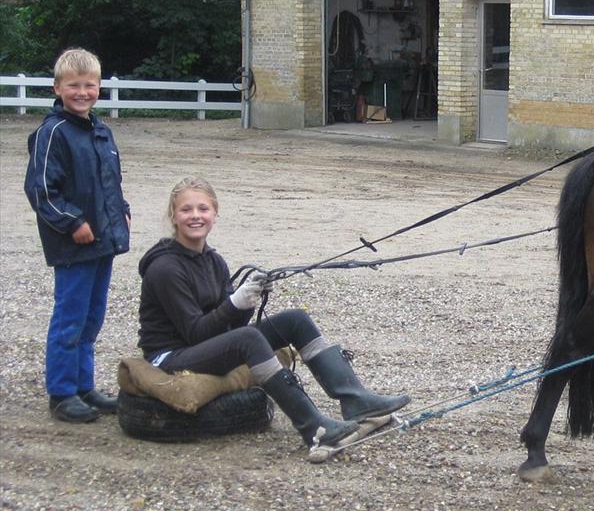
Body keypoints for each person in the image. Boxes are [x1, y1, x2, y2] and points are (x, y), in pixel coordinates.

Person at [137, 176, 410, 457]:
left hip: (201, 344)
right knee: (249, 338)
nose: (195, 216)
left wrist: (246, 303)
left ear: (215, 214)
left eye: (203, 209)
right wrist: (234, 303)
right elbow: (196, 333)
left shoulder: (214, 261)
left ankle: (356, 399)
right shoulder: (165, 269)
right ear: (173, 215)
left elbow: (228, 328)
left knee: (294, 319)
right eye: (186, 210)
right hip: (172, 355)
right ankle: (313, 427)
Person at [24, 48, 131, 423]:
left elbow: (109, 182)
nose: (82, 92)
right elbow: (41, 190)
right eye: (74, 85)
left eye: (89, 85)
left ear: (99, 87)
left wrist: (123, 212)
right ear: (57, 88)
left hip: (103, 242)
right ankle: (62, 391)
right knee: (69, 319)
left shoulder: (101, 131)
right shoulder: (52, 134)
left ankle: (85, 385)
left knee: (92, 318)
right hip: (74, 244)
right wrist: (72, 222)